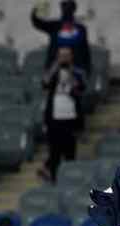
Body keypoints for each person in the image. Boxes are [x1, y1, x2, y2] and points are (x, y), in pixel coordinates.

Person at [40, 47, 85, 184]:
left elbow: (82, 87)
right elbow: (44, 83)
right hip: (54, 117)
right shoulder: (53, 71)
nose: (64, 58)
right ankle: (54, 180)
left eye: (67, 55)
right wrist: (55, 67)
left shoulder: (77, 72)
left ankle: (70, 181)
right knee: (54, 151)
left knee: (70, 152)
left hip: (70, 117)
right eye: (61, 55)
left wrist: (70, 75)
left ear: (71, 57)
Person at [31, 0, 91, 74]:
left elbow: (37, 23)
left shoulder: (55, 26)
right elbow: (85, 50)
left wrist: (36, 10)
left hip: (66, 68)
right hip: (64, 68)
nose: (66, 10)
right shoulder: (80, 28)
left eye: (67, 7)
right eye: (65, 7)